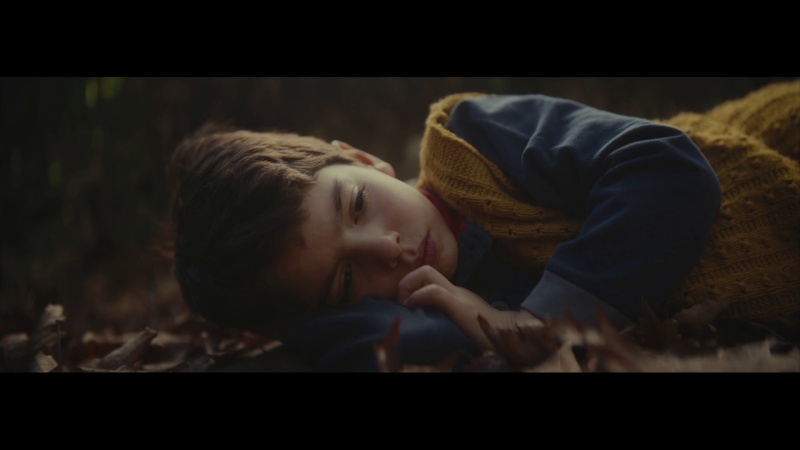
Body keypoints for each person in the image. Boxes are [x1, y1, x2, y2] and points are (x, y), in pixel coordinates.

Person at [167, 80, 800, 371]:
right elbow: (391, 346)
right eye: (346, 279)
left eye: (357, 204)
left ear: (362, 159)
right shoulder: (434, 304)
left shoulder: (473, 141)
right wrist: (304, 322)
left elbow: (669, 169)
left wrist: (536, 321)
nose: (388, 249)